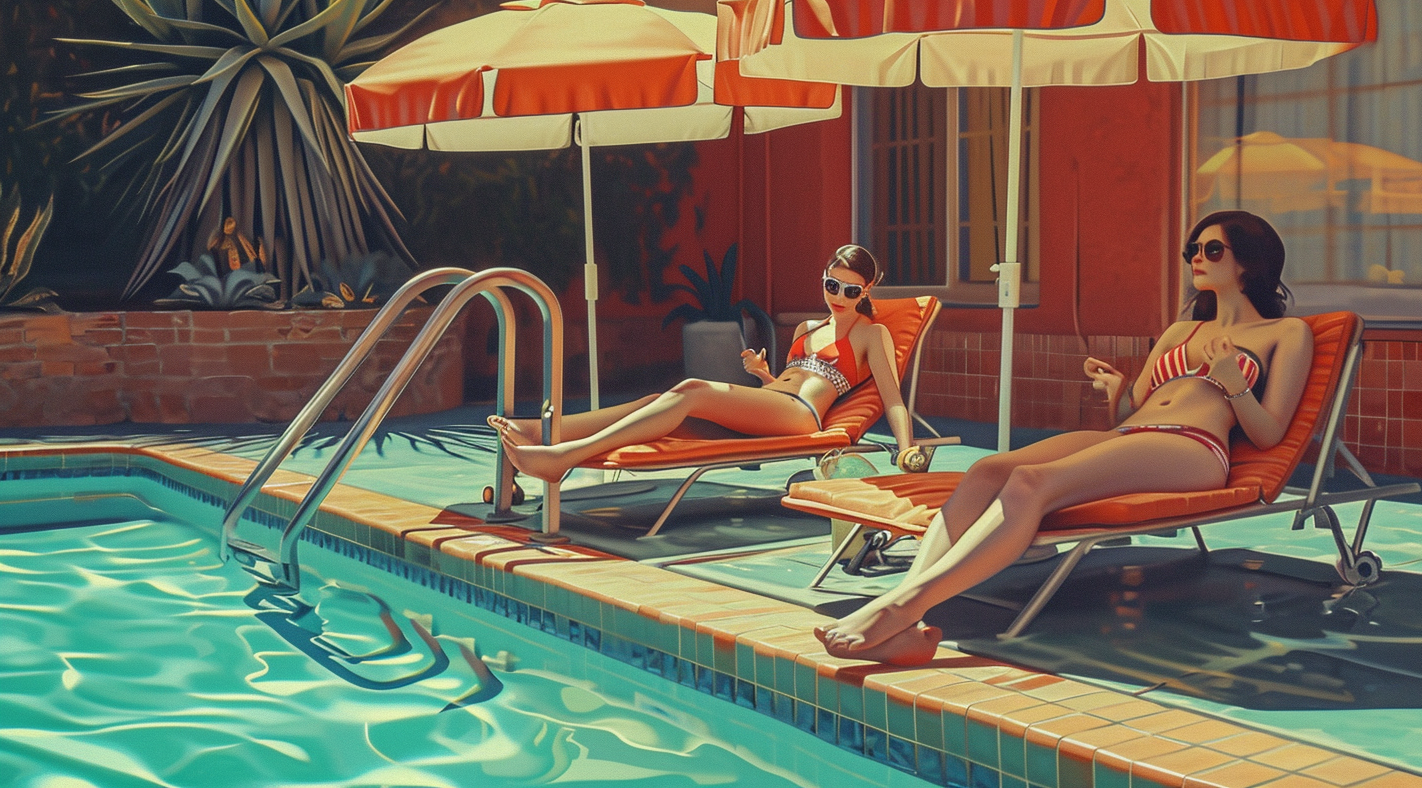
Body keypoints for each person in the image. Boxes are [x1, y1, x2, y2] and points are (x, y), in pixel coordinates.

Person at [815, 210, 1315, 666]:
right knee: (988, 469)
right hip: (1133, 433)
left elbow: (1269, 434)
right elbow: (1135, 411)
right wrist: (1118, 391)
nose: (1196, 260)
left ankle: (902, 606)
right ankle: (907, 612)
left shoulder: (1285, 333)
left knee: (1031, 482)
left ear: (1249, 260)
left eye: (1212, 250)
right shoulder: (1180, 331)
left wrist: (1233, 380)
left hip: (1192, 447)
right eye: (1192, 251)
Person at [492, 244, 917, 484]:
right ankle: (540, 431)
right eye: (831, 284)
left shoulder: (869, 333)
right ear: (822, 275)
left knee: (692, 389)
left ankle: (565, 456)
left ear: (866, 291)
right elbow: (789, 381)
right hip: (770, 404)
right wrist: (762, 375)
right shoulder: (807, 325)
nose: (838, 296)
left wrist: (905, 447)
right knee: (660, 402)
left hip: (802, 417)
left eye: (850, 290)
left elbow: (892, 397)